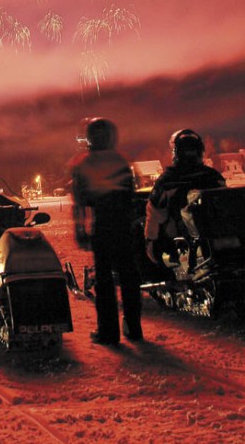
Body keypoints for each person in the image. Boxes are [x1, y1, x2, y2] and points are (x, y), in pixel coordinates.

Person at [70, 117, 142, 345]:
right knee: (129, 277)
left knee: (104, 281)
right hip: (123, 225)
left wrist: (80, 228)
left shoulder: (82, 163)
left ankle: (108, 332)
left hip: (102, 225)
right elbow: (131, 196)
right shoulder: (122, 161)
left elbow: (80, 201)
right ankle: (133, 327)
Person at [144, 128, 226, 264]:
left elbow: (154, 216)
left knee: (138, 229)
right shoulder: (213, 176)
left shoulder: (167, 181)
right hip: (218, 234)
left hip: (183, 240)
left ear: (175, 152)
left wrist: (151, 244)